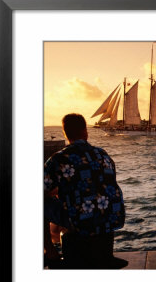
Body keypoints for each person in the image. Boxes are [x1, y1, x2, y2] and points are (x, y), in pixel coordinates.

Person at [44, 113, 126, 269]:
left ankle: (50, 253)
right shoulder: (103, 154)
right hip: (112, 218)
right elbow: (99, 184)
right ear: (85, 132)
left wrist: (53, 193)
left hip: (81, 220)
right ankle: (106, 255)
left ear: (65, 133)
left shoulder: (58, 159)